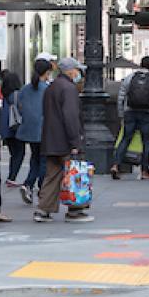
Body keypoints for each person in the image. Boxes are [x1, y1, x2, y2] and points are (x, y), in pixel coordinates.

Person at [34, 57, 93, 223]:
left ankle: (43, 209)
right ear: (71, 71)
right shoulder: (69, 89)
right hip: (65, 141)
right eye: (77, 70)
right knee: (75, 174)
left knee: (52, 176)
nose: (78, 73)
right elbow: (71, 117)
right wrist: (76, 142)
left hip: (50, 139)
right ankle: (75, 209)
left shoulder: (51, 87)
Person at [111, 56, 149, 180]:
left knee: (125, 138)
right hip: (147, 113)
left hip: (130, 112)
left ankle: (116, 165)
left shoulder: (130, 77)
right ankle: (145, 171)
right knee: (146, 141)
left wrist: (121, 114)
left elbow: (121, 96)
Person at [16, 59, 52, 205]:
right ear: (47, 72)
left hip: (29, 129)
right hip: (44, 129)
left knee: (35, 158)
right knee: (44, 161)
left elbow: (20, 108)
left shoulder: (25, 89)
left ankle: (28, 185)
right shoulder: (47, 89)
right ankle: (40, 188)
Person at [0, 71, 25, 188]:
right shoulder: (17, 94)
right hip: (16, 128)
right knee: (19, 153)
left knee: (13, 153)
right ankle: (12, 177)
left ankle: (11, 177)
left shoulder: (5, 95)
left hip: (6, 128)